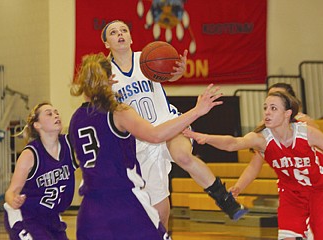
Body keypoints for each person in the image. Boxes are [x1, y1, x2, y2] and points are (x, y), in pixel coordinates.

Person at [101, 20, 247, 229]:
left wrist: (179, 71)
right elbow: (95, 102)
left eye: (124, 30)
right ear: (107, 43)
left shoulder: (146, 58)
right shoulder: (104, 73)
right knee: (160, 212)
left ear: (131, 38)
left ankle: (226, 200)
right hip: (141, 141)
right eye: (114, 32)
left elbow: (170, 74)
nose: (120, 34)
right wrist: (101, 90)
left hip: (169, 124)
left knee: (182, 155)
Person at [69, 53, 223, 239]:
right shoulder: (119, 113)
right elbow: (156, 135)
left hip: (91, 210)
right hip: (125, 201)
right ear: (111, 79)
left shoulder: (76, 119)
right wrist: (196, 111)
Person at [183, 91, 323, 239]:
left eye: (273, 108)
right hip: (292, 193)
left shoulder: (306, 133)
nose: (267, 112)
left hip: (321, 189)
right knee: (287, 236)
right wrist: (205, 137)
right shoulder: (262, 139)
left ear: (287, 113)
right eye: (265, 108)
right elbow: (233, 143)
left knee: (321, 235)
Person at [232, 83, 323, 239]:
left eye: (277, 100)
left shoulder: (304, 125)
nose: (271, 106)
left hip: (317, 186)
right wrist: (238, 186)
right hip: (295, 192)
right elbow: (254, 165)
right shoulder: (267, 133)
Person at [3, 102, 78, 240]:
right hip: (26, 216)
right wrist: (13, 200)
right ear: (37, 125)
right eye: (49, 113)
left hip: (51, 216)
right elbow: (11, 191)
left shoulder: (69, 145)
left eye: (56, 112)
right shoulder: (30, 154)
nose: (56, 115)